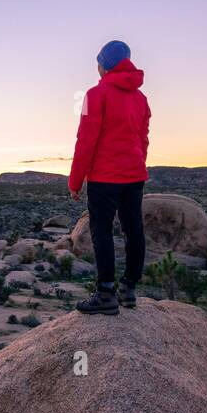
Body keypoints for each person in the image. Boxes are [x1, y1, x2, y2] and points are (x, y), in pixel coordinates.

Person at [68, 39, 151, 315]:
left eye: (99, 62)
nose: (97, 67)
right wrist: (138, 162)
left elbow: (86, 140)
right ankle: (129, 289)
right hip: (134, 175)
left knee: (101, 231)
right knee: (133, 229)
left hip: (105, 177)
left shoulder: (94, 95)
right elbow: (143, 138)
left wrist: (76, 179)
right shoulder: (141, 99)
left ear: (105, 64)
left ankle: (105, 294)